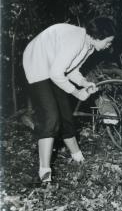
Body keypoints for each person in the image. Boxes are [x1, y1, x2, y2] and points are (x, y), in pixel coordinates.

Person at [23, 22, 114, 183]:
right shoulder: (76, 39)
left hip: (53, 68)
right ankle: (44, 174)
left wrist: (85, 83)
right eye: (108, 41)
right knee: (51, 117)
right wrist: (77, 92)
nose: (109, 45)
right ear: (99, 35)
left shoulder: (89, 46)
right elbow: (57, 73)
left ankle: (79, 159)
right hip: (37, 63)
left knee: (66, 115)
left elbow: (72, 70)